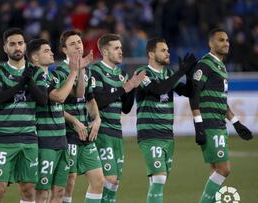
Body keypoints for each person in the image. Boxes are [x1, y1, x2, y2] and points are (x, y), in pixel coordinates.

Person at [189, 28, 253, 203]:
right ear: (211, 43)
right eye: (221, 40)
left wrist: (236, 123)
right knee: (224, 169)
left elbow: (220, 100)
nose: (226, 43)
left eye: (227, 40)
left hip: (219, 123)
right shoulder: (205, 64)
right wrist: (198, 125)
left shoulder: (221, 66)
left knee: (215, 170)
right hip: (210, 124)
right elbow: (194, 94)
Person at [0, 27, 48, 203]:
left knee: (28, 190)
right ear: (5, 48)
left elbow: (43, 100)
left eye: (20, 43)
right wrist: (21, 83)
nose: (17, 47)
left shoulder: (36, 72)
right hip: (5, 139)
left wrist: (29, 81)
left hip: (29, 139)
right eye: (12, 44)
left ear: (25, 46)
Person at [26, 38, 90, 203]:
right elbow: (60, 97)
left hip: (61, 139)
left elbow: (79, 94)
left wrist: (80, 70)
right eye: (46, 51)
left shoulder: (52, 77)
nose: (52, 52)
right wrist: (74, 71)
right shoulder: (35, 76)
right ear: (35, 58)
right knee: (42, 193)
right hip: (45, 142)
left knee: (60, 191)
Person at [135, 37, 196, 203]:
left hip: (167, 135)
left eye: (168, 50)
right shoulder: (141, 73)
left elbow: (188, 92)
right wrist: (180, 72)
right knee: (159, 178)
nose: (167, 53)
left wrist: (189, 75)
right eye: (163, 50)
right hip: (149, 134)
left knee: (157, 180)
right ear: (151, 54)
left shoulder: (168, 74)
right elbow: (157, 89)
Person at [90, 33, 146, 203]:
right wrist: (124, 88)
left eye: (121, 48)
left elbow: (126, 108)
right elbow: (97, 101)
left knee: (114, 183)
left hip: (116, 132)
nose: (121, 51)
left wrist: (133, 87)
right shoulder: (96, 71)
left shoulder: (122, 74)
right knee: (109, 179)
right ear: (105, 52)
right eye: (116, 48)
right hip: (102, 131)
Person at [55, 30, 105, 203]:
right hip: (67, 134)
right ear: (64, 50)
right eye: (72, 44)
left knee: (99, 181)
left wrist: (97, 119)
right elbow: (54, 105)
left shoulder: (87, 70)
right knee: (69, 183)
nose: (77, 46)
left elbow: (87, 98)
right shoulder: (59, 72)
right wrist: (74, 121)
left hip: (85, 132)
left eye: (79, 42)